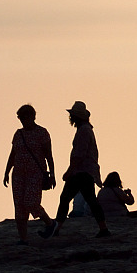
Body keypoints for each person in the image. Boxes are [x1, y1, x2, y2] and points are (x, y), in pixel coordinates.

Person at [44, 101, 108, 238]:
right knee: (90, 200)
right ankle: (103, 229)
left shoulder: (83, 131)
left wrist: (69, 171)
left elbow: (80, 154)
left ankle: (56, 228)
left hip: (81, 171)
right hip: (85, 171)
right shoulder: (86, 129)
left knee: (66, 198)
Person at [3, 104, 55, 244]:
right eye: (20, 118)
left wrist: (52, 174)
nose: (23, 121)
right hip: (18, 174)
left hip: (35, 174)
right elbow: (13, 154)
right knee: (19, 206)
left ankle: (50, 223)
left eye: (25, 117)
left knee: (31, 202)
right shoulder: (18, 134)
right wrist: (7, 172)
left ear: (32, 116)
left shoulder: (42, 133)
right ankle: (23, 238)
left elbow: (48, 155)